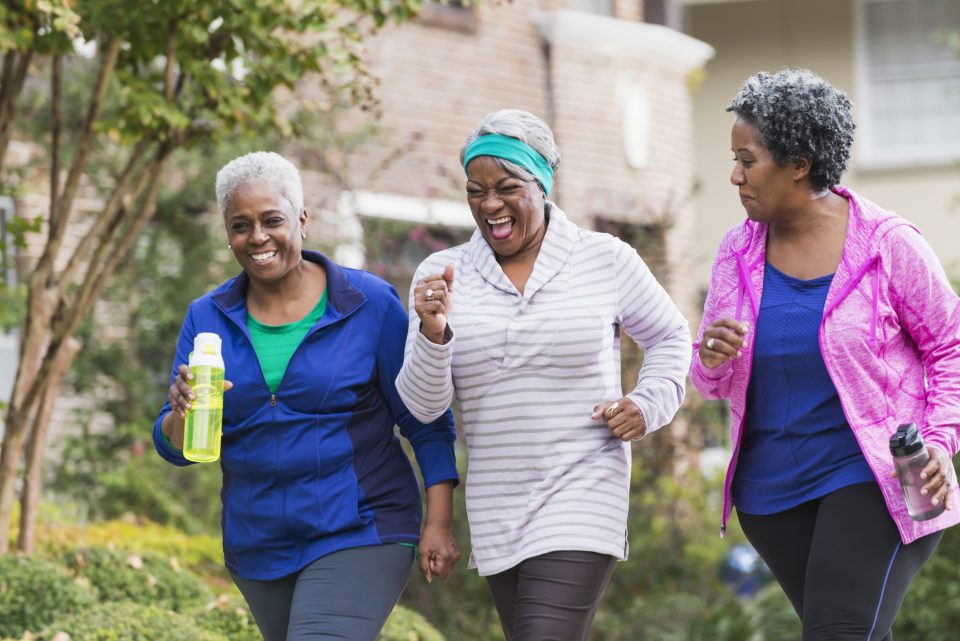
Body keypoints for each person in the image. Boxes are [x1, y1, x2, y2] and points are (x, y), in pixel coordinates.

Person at [395, 109, 692, 641]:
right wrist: (432, 332)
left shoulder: (604, 259)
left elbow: (672, 338)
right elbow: (422, 408)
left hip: (583, 487)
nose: (489, 205)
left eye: (507, 187)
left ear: (543, 184)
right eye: (475, 191)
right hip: (498, 503)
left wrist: (647, 404)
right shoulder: (443, 274)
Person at [690, 68, 960, 640]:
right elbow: (711, 381)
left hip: (878, 477)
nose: (734, 175)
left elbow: (950, 344)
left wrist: (938, 440)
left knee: (838, 632)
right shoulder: (737, 251)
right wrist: (711, 356)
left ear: (799, 163)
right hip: (772, 497)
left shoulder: (888, 244)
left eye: (748, 159)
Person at [152, 151, 460, 641]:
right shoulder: (207, 317)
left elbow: (425, 417)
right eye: (240, 225)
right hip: (258, 546)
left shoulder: (368, 304)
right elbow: (178, 446)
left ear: (301, 218)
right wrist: (179, 413)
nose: (257, 237)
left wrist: (438, 521)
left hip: (361, 528)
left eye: (271, 220)